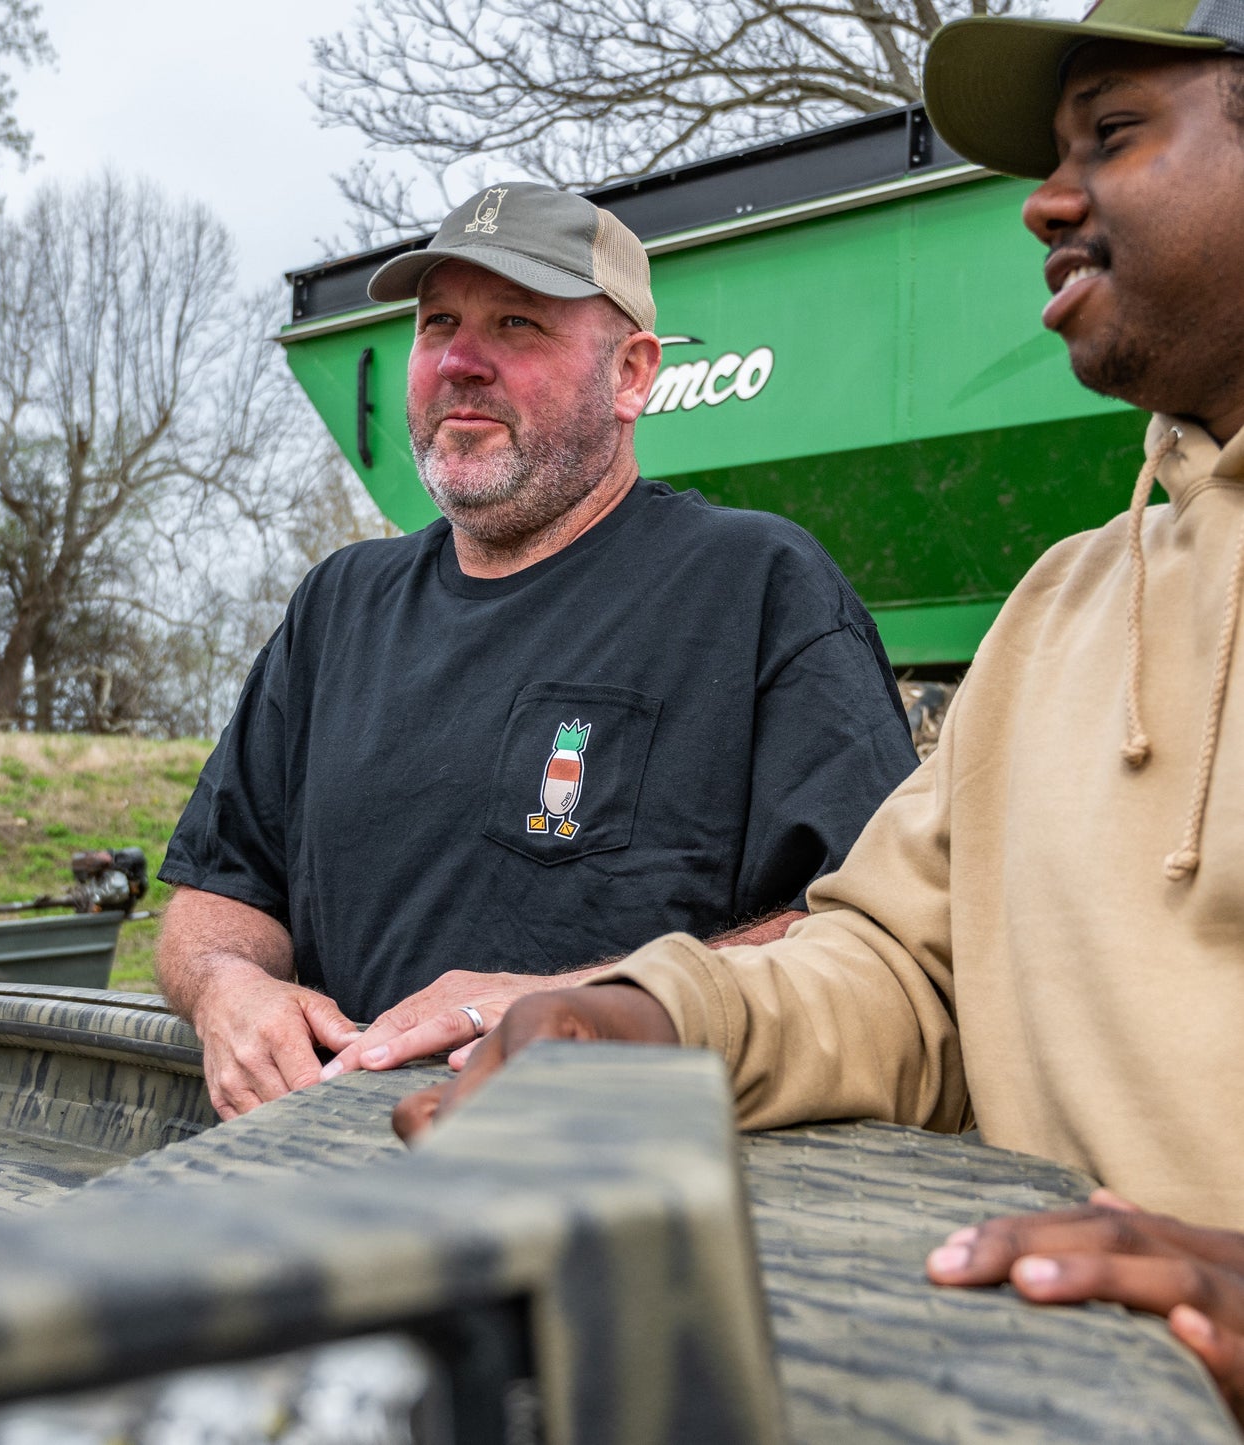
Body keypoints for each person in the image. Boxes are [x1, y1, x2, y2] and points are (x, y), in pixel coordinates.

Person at [393, 5, 1244, 1423]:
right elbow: (907, 976)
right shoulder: (1059, 609)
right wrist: (649, 1017)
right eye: (1051, 153)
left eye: (1112, 134)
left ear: (635, 372)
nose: (1044, 199)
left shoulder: (755, 584)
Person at [156, 182, 919, 1120]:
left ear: (632, 374)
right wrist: (228, 989)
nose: (460, 361)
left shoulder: (755, 586)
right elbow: (216, 895)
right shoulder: (338, 605)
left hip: (624, 1191)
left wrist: (588, 1006)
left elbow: (871, 942)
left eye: (516, 323)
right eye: (437, 323)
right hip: (327, 1183)